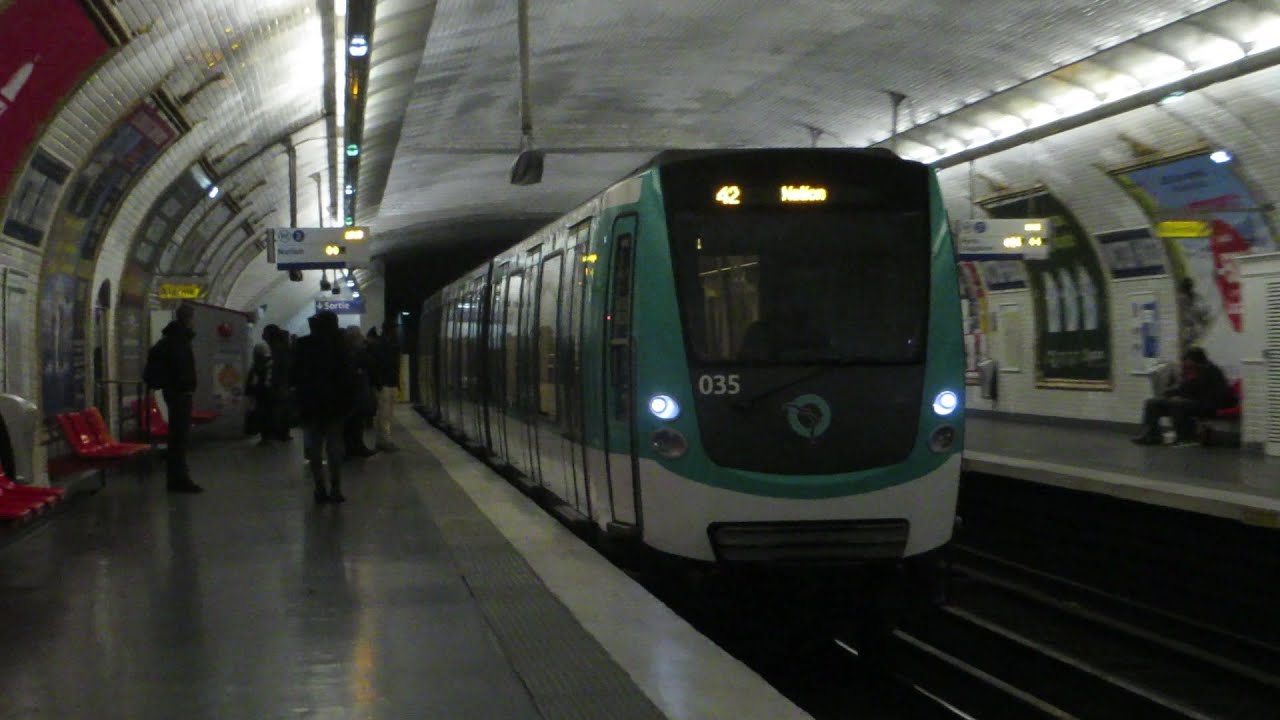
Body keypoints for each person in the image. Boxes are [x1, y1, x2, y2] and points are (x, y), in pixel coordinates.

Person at [292, 311, 355, 503]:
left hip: (310, 404)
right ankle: (336, 488)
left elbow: (294, 374)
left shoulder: (303, 345)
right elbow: (348, 376)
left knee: (314, 447)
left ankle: (319, 487)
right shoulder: (341, 346)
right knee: (335, 445)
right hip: (336, 404)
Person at [143, 303, 202, 493]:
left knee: (177, 437)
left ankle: (177, 478)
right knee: (179, 438)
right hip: (179, 393)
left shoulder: (170, 338)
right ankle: (179, 479)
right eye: (193, 319)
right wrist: (186, 385)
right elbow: (180, 368)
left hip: (174, 392)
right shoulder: (179, 341)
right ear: (189, 319)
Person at [1132, 347, 1238, 446]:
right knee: (1152, 403)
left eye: (1188, 360)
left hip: (1210, 405)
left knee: (1177, 404)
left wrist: (1181, 396)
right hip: (1194, 402)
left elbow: (1200, 391)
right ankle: (1151, 435)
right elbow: (1184, 388)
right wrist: (1168, 394)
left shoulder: (1212, 371)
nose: (1185, 363)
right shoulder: (1193, 371)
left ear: (1196, 360)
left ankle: (1186, 437)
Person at [342, 325, 377, 457]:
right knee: (356, 423)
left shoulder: (344, 351)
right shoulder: (358, 352)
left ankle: (352, 448)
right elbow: (371, 364)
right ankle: (356, 449)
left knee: (351, 424)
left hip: (348, 394)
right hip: (357, 393)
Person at [369, 320, 400, 451]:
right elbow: (379, 366)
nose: (397, 331)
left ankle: (383, 440)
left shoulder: (385, 343)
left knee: (387, 413)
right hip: (385, 384)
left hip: (390, 383)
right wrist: (379, 383)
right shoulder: (381, 344)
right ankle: (384, 441)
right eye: (395, 329)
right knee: (384, 414)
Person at [263, 324, 293, 441]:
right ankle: (283, 432)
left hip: (279, 383)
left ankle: (279, 432)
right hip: (284, 383)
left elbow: (278, 368)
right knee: (283, 409)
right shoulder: (283, 347)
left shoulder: (276, 349)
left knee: (279, 409)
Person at [243, 342, 273, 443]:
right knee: (264, 414)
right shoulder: (268, 364)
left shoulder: (257, 366)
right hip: (264, 393)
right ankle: (266, 435)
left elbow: (253, 380)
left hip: (260, 393)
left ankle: (264, 435)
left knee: (260, 414)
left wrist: (249, 391)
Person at [1178, 277, 1213, 353]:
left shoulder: (1195, 298)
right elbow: (1205, 311)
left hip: (1192, 331)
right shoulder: (1183, 299)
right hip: (1190, 331)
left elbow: (1205, 311)